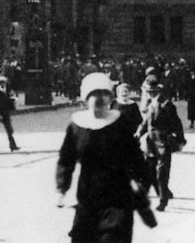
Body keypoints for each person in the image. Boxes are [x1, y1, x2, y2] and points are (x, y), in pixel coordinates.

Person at [56, 72, 154, 243]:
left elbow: (135, 158)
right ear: (86, 97)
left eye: (104, 93)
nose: (99, 98)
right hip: (87, 199)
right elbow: (66, 159)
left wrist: (142, 183)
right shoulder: (77, 126)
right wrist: (62, 187)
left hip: (118, 200)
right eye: (94, 94)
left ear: (110, 97)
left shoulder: (119, 123)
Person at [137, 75, 185, 211]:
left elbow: (177, 124)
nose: (148, 93)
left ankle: (163, 201)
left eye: (150, 91)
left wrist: (179, 139)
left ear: (156, 91)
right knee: (151, 173)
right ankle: (164, 193)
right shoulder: (150, 104)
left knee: (162, 173)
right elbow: (146, 122)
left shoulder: (167, 105)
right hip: (150, 144)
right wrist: (138, 133)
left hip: (163, 144)